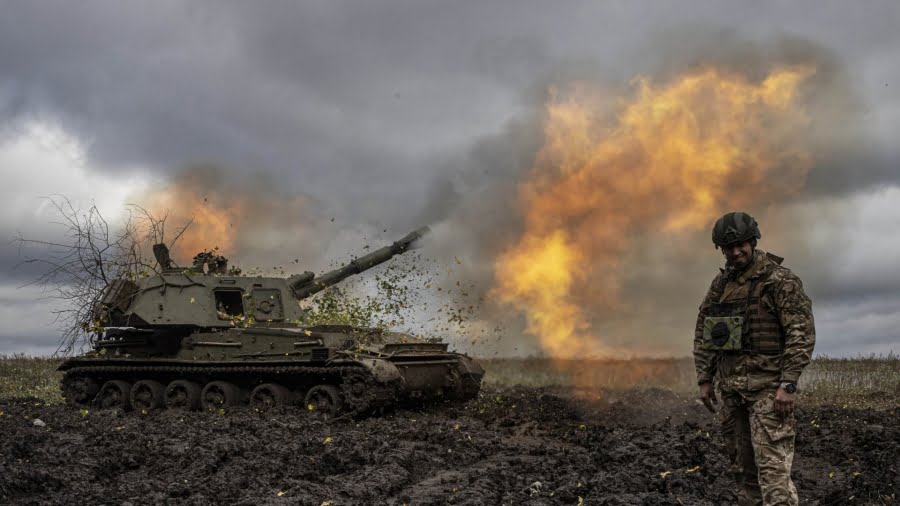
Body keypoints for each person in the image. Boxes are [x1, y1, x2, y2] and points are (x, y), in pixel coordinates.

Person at [693, 211, 816, 506]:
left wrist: (787, 386)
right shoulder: (720, 286)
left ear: (753, 241)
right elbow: (705, 332)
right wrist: (705, 378)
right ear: (721, 250)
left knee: (774, 480)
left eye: (741, 245)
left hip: (768, 393)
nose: (736, 252)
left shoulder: (779, 280)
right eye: (729, 247)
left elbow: (800, 334)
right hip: (733, 394)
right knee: (744, 479)